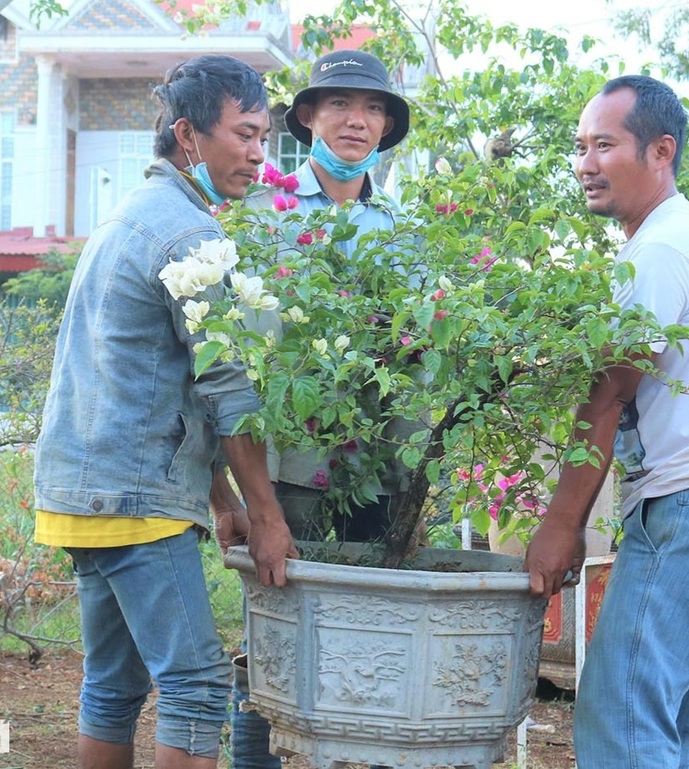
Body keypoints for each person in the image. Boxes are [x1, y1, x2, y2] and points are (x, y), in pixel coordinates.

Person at [32, 54, 296, 769]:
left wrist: (219, 500)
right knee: (198, 686)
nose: (257, 153)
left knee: (114, 683)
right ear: (187, 135)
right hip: (134, 495)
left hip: (83, 488)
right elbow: (228, 389)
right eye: (243, 134)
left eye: (263, 136)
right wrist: (266, 514)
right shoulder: (189, 236)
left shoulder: (133, 212)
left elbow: (158, 379)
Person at [523, 75, 689, 769]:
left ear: (661, 151)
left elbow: (608, 394)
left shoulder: (663, 248)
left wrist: (561, 525)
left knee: (623, 718)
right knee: (652, 725)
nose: (585, 163)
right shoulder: (674, 238)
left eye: (604, 145)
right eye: (580, 146)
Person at [229, 48, 412, 769]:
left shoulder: (400, 227)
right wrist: (249, 492)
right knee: (272, 636)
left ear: (386, 126)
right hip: (286, 472)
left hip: (375, 472)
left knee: (368, 639)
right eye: (339, 104)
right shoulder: (263, 215)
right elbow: (240, 359)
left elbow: (413, 358)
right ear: (307, 116)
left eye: (372, 108)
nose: (356, 120)